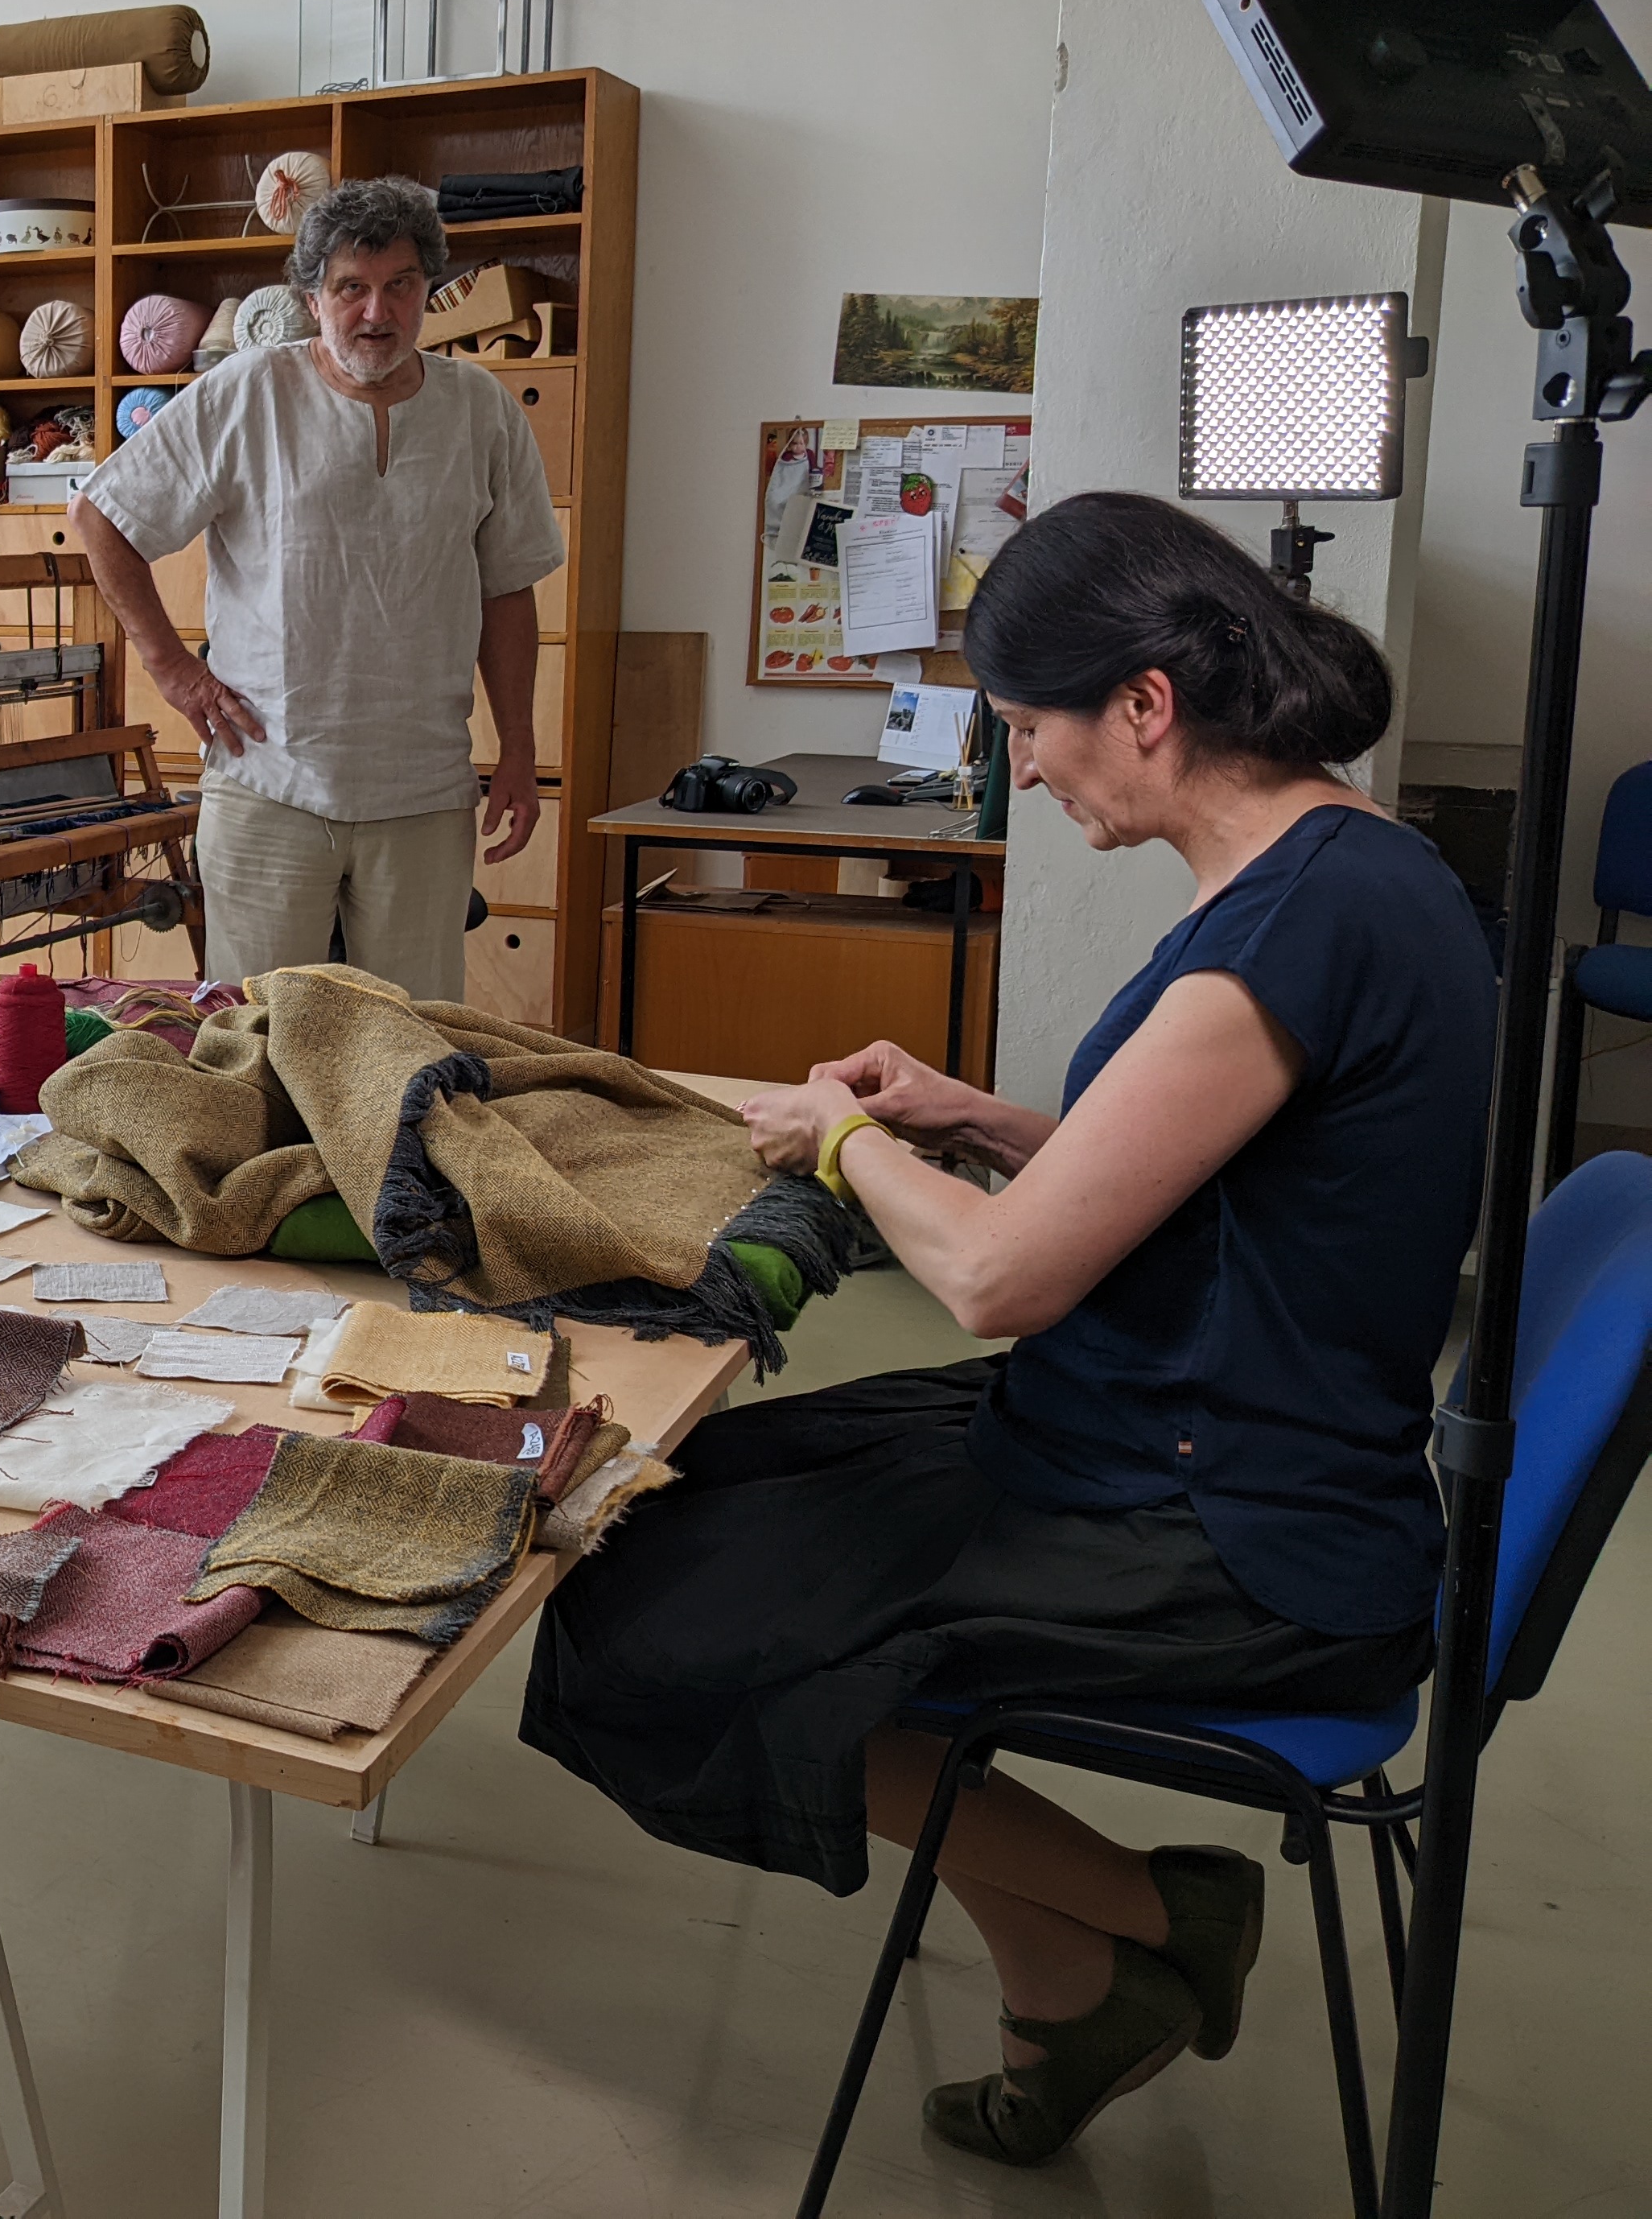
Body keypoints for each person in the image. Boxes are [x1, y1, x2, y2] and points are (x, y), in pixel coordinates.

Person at [520, 492, 1493, 2167]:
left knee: (651, 1610)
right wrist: (975, 1116)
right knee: (684, 1498)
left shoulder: (1295, 922)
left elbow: (993, 1283)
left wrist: (845, 1142)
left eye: (1029, 729)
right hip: (1197, 1422)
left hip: (1235, 1520)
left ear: (1144, 704)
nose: (1024, 772)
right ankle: (1068, 1982)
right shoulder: (1351, 867)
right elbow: (1215, 1182)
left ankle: (1163, 1915)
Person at [72, 175, 562, 1001]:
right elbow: (102, 516)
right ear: (311, 299)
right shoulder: (249, 391)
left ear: (428, 291)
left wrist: (518, 743)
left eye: (400, 285)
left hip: (424, 791)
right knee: (261, 1038)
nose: (377, 312)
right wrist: (173, 670)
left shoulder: (480, 410)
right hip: (268, 781)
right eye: (350, 288)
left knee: (412, 1044)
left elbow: (508, 588)